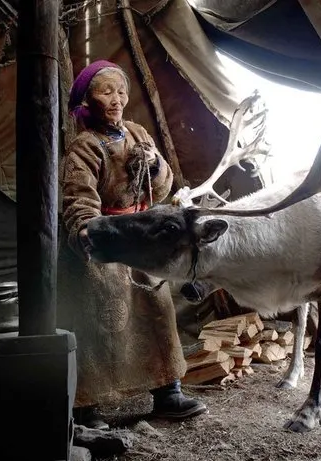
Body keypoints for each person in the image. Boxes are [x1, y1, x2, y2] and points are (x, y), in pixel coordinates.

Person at [56, 59, 207, 430]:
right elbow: (78, 195)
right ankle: (86, 406)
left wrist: (156, 165)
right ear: (88, 100)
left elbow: (164, 187)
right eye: (106, 92)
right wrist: (87, 231)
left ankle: (167, 391)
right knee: (97, 321)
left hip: (141, 238)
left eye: (121, 91)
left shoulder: (139, 134)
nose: (116, 99)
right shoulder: (84, 146)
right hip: (106, 240)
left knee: (157, 310)